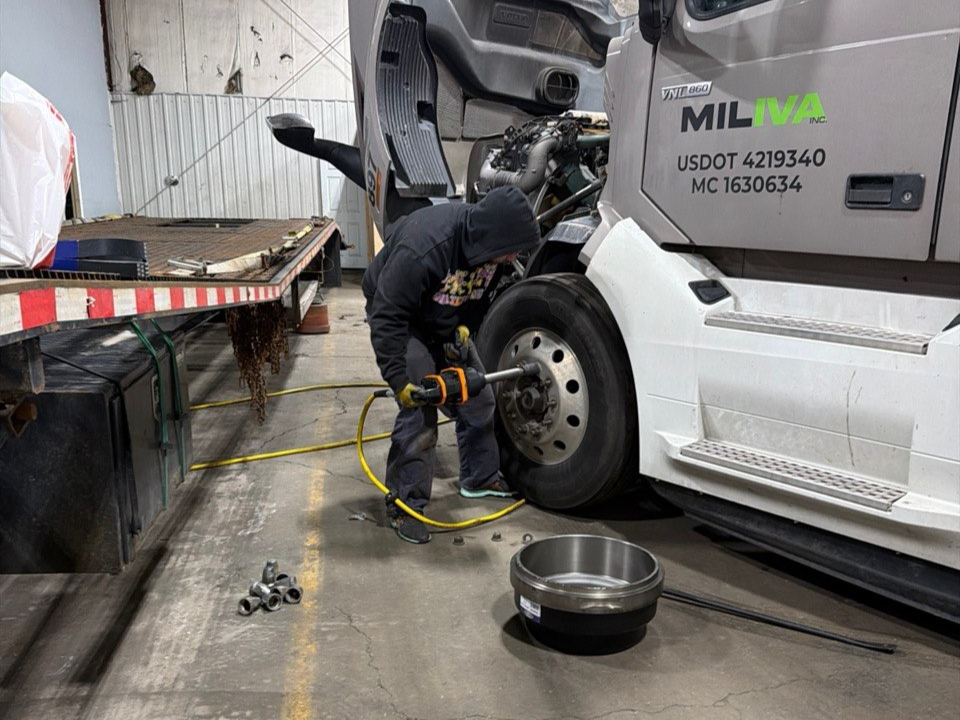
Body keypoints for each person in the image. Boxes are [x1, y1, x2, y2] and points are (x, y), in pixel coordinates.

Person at [362, 186, 541, 544]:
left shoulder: (492, 255)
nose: (514, 258)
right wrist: (399, 380)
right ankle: (406, 504)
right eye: (511, 249)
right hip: (403, 318)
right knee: (420, 410)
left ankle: (479, 477)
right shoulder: (425, 246)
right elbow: (387, 314)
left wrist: (464, 327)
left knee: (479, 395)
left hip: (441, 316)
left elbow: (476, 296)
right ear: (490, 237)